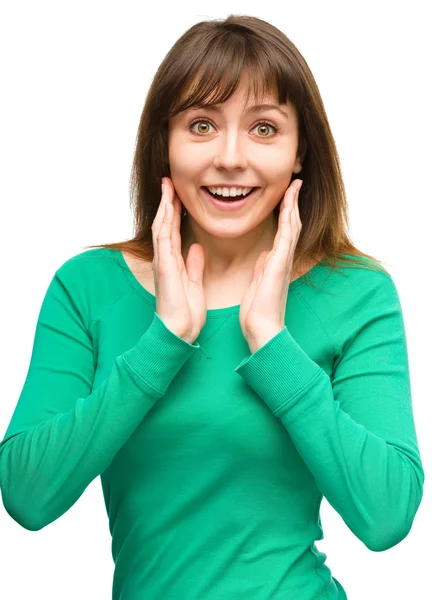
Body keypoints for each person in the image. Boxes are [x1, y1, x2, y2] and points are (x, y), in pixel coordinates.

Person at [0, 14, 424, 600]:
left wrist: (273, 344)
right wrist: (164, 341)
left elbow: (386, 517)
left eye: (264, 129)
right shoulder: (87, 287)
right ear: (164, 146)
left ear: (301, 151)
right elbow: (28, 495)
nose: (229, 157)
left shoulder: (355, 293)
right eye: (201, 125)